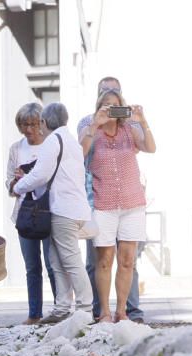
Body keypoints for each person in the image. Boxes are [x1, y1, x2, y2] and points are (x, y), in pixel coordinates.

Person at [11, 103, 93, 324]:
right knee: (56, 260)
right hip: (73, 208)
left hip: (63, 210)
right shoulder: (72, 143)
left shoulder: (52, 141)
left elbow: (41, 175)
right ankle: (62, 307)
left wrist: (17, 187)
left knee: (71, 260)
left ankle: (85, 308)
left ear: (44, 123)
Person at [80, 89, 156, 323]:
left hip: (133, 203)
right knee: (104, 260)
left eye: (116, 104)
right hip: (104, 204)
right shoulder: (91, 130)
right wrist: (95, 125)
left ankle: (121, 311)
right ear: (99, 107)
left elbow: (151, 148)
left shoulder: (129, 131)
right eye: (107, 105)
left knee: (127, 260)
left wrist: (143, 122)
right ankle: (103, 311)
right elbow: (79, 153)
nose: (112, 108)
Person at [8, 102, 56, 324]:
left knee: (53, 263)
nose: (29, 129)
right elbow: (9, 183)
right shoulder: (16, 149)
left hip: (50, 210)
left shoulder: (51, 145)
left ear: (42, 124)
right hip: (25, 212)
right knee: (32, 266)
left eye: (33, 124)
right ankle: (34, 313)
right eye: (24, 124)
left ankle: (60, 308)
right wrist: (16, 181)